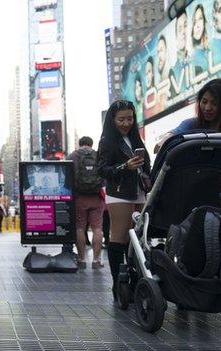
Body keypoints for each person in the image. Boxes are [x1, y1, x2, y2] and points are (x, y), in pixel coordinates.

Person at [154, 78, 221, 320]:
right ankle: (190, 293)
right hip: (202, 189)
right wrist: (164, 138)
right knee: (195, 240)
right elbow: (176, 131)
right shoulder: (194, 123)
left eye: (214, 103)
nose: (207, 107)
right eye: (204, 101)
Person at [96, 100, 151, 303]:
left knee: (136, 239)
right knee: (118, 237)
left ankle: (134, 280)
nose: (126, 123)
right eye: (121, 119)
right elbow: (102, 170)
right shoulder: (107, 141)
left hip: (139, 191)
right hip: (118, 192)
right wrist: (124, 167)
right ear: (112, 120)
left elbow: (147, 166)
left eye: (130, 118)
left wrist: (146, 172)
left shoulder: (135, 138)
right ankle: (118, 283)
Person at [67, 136, 105, 269]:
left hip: (79, 197)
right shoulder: (98, 155)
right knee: (97, 228)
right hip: (96, 197)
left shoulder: (72, 156)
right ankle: (96, 260)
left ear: (80, 143)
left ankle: (82, 259)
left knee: (80, 228)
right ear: (91, 143)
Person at [171, 11, 190, 97]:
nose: (183, 32)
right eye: (179, 29)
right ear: (175, 36)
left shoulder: (195, 61)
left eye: (185, 26)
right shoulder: (172, 71)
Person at [191, 4, 210, 78]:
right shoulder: (193, 56)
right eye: (195, 21)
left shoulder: (210, 50)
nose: (197, 25)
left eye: (200, 18)